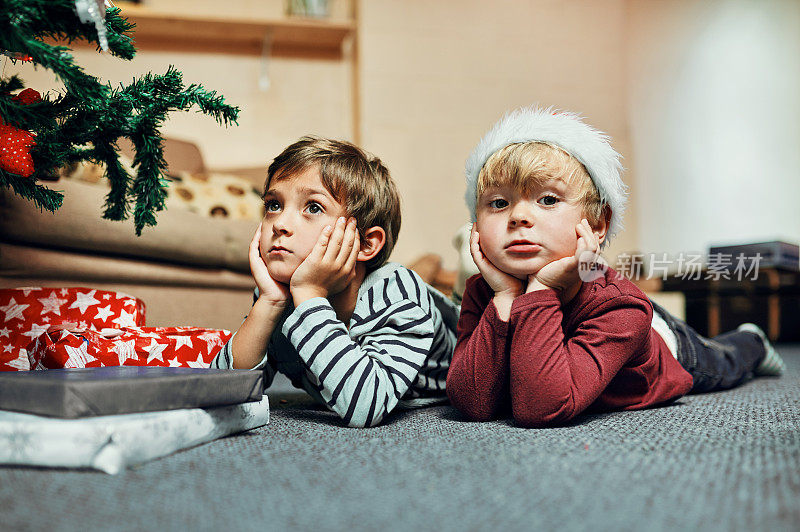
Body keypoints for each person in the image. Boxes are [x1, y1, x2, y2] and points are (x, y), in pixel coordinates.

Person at [446, 106, 785, 427]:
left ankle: (751, 341)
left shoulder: (620, 307)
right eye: (499, 203)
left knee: (723, 361)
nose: (518, 216)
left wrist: (541, 290)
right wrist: (504, 299)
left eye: (548, 199)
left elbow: (543, 407)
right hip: (592, 294)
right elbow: (472, 401)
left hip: (666, 346)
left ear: (596, 224)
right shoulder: (485, 290)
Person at [212, 136, 458, 428]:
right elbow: (222, 392)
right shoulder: (278, 295)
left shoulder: (397, 296)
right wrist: (269, 303)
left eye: (313, 207)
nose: (279, 224)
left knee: (440, 289)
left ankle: (435, 271)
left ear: (366, 243)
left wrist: (309, 294)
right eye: (274, 205)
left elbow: (366, 406)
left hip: (457, 353)